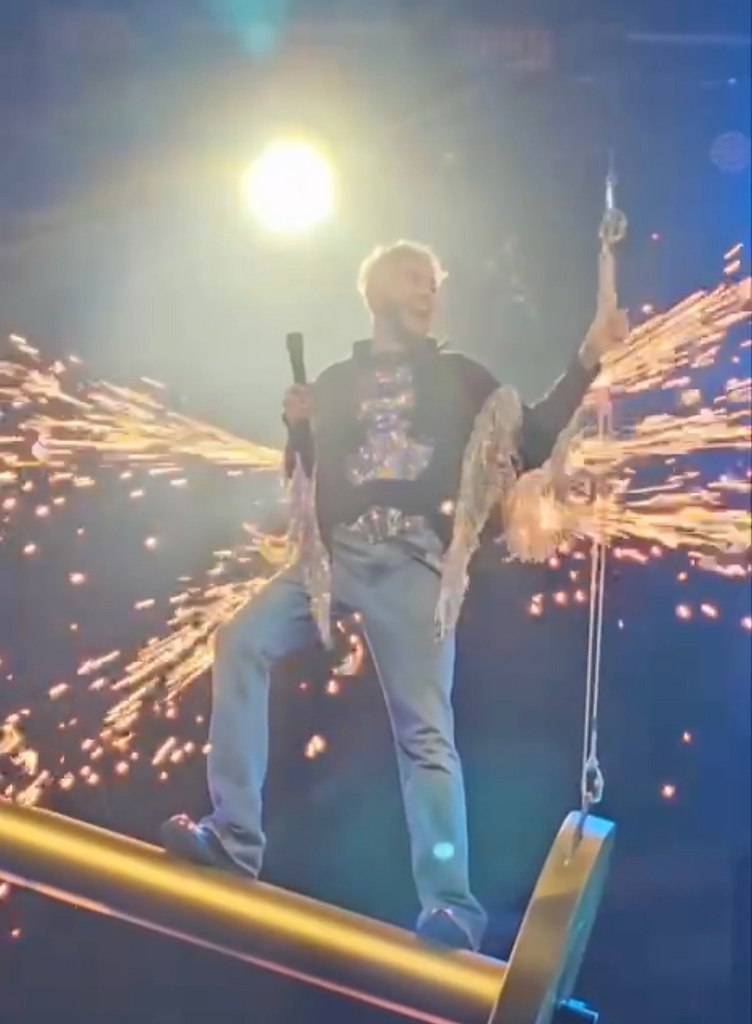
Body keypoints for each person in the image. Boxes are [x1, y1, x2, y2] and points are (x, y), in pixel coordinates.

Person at [161, 240, 628, 953]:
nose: (428, 292)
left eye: (432, 283)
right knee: (239, 640)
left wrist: (588, 357)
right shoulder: (336, 381)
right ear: (376, 291)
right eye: (413, 280)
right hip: (334, 559)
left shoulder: (462, 378)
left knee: (426, 733)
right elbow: (311, 477)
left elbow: (530, 437)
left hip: (413, 564)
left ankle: (452, 908)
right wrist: (299, 428)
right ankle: (233, 838)